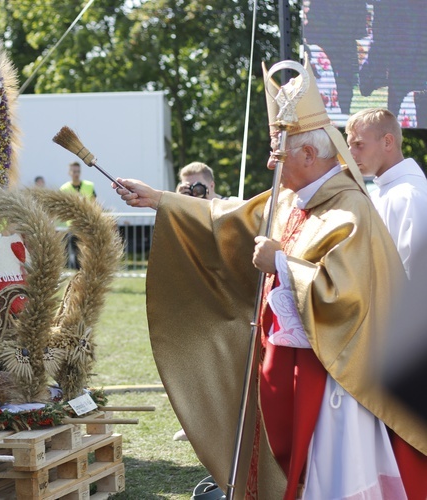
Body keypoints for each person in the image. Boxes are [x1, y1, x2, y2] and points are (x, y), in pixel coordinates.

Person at [113, 60, 426, 499]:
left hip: (336, 383)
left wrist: (283, 264)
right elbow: (230, 217)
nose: (269, 162)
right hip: (291, 371)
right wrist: (160, 201)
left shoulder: (350, 210)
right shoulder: (293, 199)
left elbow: (348, 298)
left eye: (278, 153)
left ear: (309, 155)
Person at [345, 108, 427, 278]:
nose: (350, 154)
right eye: (349, 145)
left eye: (359, 145)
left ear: (388, 142)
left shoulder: (410, 196)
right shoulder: (382, 192)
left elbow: (417, 278)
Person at [60, 162, 96, 268]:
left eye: (78, 171)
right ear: (69, 173)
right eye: (74, 171)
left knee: (89, 252)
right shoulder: (64, 188)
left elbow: (94, 203)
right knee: (76, 253)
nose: (76, 174)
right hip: (73, 226)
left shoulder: (89, 186)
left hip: (87, 224)